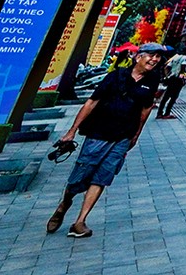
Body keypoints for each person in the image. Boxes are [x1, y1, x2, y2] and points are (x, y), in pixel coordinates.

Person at [46, 43, 168, 238]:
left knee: (102, 177)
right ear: (138, 57)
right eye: (151, 55)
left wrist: (136, 135)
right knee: (80, 176)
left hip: (123, 137)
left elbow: (146, 109)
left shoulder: (152, 81)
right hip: (99, 134)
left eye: (158, 57)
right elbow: (92, 102)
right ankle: (64, 204)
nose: (155, 60)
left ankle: (80, 221)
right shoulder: (115, 76)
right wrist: (72, 131)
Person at [155, 49, 186, 120]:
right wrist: (182, 78)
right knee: (173, 97)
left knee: (166, 97)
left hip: (171, 78)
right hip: (177, 80)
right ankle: (167, 113)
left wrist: (167, 76)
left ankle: (159, 113)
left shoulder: (175, 57)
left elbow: (166, 67)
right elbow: (183, 68)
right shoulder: (185, 58)